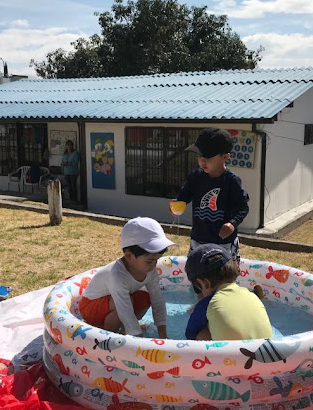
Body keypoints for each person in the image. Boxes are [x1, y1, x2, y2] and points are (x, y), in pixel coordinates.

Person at [174, 128, 249, 295]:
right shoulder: (196, 176)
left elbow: (242, 207)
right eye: (200, 157)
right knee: (196, 274)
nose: (202, 161)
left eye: (207, 157)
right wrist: (178, 203)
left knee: (225, 276)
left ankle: (224, 302)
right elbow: (185, 195)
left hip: (223, 241)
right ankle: (201, 304)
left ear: (225, 157)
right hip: (199, 237)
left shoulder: (231, 181)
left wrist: (232, 223)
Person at [79, 217, 175, 338]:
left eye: (157, 259)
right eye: (150, 261)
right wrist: (138, 341)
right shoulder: (117, 275)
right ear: (129, 256)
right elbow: (124, 309)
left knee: (145, 298)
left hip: (112, 303)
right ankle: (108, 335)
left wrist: (163, 335)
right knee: (127, 303)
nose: (154, 265)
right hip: (91, 307)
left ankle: (125, 330)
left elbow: (158, 301)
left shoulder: (150, 270)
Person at [184, 244, 272, 341]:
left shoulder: (207, 304)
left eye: (197, 288)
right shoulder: (251, 296)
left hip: (233, 356)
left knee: (201, 333)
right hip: (269, 352)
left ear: (204, 283)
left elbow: (190, 336)